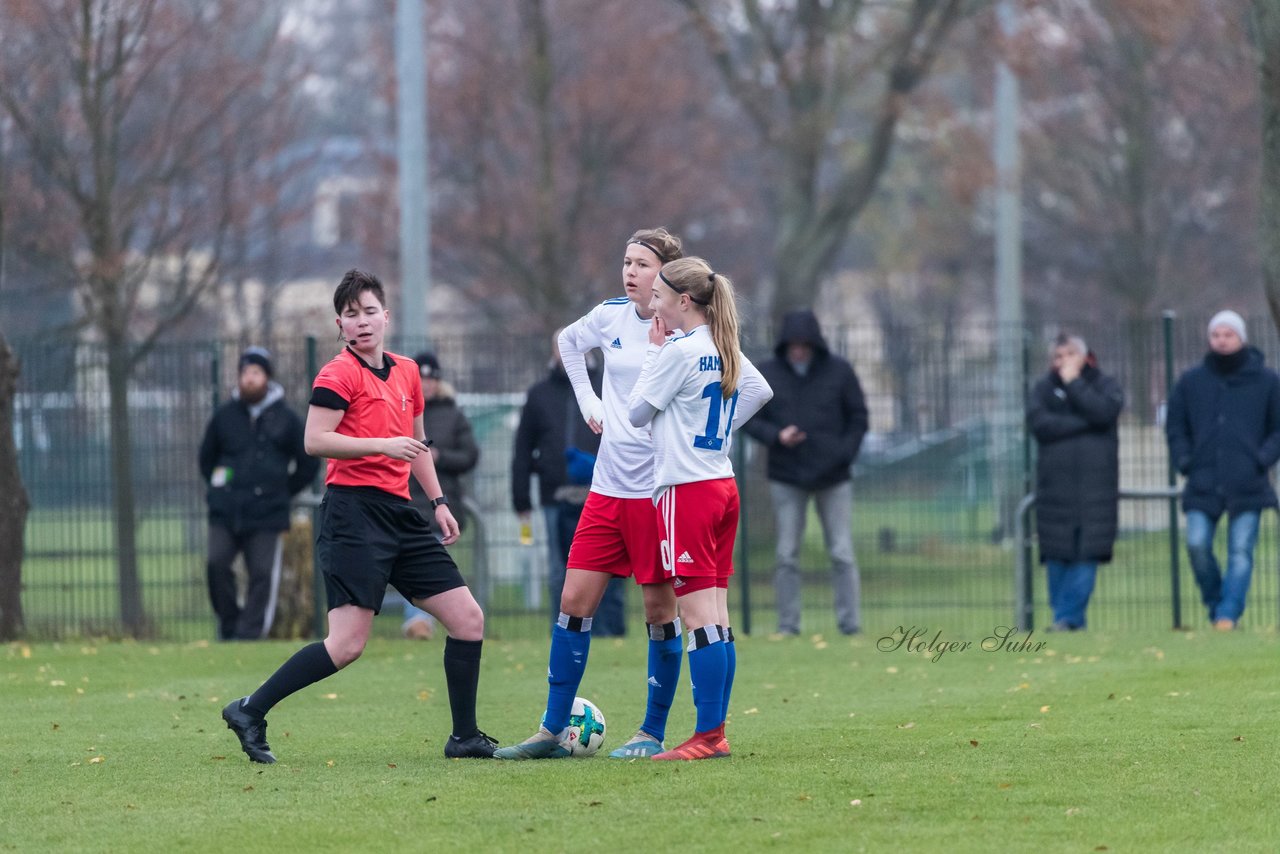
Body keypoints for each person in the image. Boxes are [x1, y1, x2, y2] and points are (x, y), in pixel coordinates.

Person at [221, 269, 498, 763]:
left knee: (468, 618)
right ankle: (249, 710)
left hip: (402, 515)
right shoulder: (337, 374)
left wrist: (438, 502)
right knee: (347, 645)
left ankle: (464, 737)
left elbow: (416, 446)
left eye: (370, 312)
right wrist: (381, 444)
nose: (363, 322)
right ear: (340, 324)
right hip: (353, 516)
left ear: (386, 316)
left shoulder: (408, 371)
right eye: (352, 315)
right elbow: (314, 440)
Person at [495, 227, 688, 760]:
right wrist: (588, 402)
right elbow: (567, 343)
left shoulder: (684, 331)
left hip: (657, 494)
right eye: (625, 262)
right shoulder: (609, 315)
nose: (629, 272)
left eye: (642, 264)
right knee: (573, 603)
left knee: (657, 612)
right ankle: (550, 732)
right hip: (606, 490)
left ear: (666, 274)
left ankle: (651, 732)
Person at [626, 256, 772, 760]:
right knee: (717, 618)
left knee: (699, 617)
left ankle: (708, 736)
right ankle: (716, 732)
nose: (653, 303)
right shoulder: (722, 343)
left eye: (660, 296)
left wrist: (653, 354)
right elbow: (759, 390)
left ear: (682, 301)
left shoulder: (680, 349)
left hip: (687, 490)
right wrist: (715, 435)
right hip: (721, 484)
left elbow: (638, 412)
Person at [742, 309, 868, 636]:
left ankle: (850, 625)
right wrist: (776, 436)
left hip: (834, 476)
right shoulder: (766, 372)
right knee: (786, 554)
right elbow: (748, 417)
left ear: (814, 344)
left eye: (804, 344)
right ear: (785, 344)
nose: (798, 350)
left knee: (841, 552)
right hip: (787, 475)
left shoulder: (839, 371)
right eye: (793, 344)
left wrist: (844, 454)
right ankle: (788, 626)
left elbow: (858, 418)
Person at [1166, 310, 1280, 631]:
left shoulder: (1267, 381)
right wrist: (1185, 460)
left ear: (1241, 338)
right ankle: (1217, 604)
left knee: (1241, 551)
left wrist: (1262, 458)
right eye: (1216, 334)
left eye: (1229, 334)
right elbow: (1176, 427)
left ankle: (1228, 614)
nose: (1222, 340)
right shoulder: (1191, 382)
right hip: (1202, 482)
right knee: (1197, 545)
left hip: (1249, 483)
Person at [510, 331, 627, 635]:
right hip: (555, 497)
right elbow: (523, 449)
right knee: (560, 570)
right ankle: (565, 630)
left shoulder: (609, 384)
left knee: (610, 568)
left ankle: (610, 631)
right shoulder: (539, 395)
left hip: (606, 493)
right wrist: (521, 499)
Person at [198, 347, 318, 641]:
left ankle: (249, 634)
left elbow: (309, 462)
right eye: (244, 373)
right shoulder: (224, 416)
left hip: (268, 513)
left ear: (267, 377)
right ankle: (229, 626)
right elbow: (206, 458)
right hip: (225, 510)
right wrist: (220, 489)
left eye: (255, 373)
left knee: (262, 574)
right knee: (217, 564)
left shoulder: (287, 418)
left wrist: (282, 492)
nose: (249, 379)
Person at [1027, 334, 1124, 631]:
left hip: (1096, 489)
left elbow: (1103, 412)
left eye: (1070, 354)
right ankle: (1068, 622)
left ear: (1085, 357)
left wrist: (1074, 384)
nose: (1063, 361)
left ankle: (1066, 619)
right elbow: (1041, 425)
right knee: (1057, 555)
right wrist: (1084, 425)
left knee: (1087, 555)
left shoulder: (1105, 385)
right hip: (1054, 489)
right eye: (1058, 356)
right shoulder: (1042, 390)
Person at [396, 350, 481, 640]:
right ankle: (424, 618)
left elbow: (470, 455)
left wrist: (438, 457)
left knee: (426, 563)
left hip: (436, 504)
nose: (427, 384)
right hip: (404, 501)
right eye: (422, 379)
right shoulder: (401, 409)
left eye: (431, 379)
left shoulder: (453, 415)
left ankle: (421, 620)